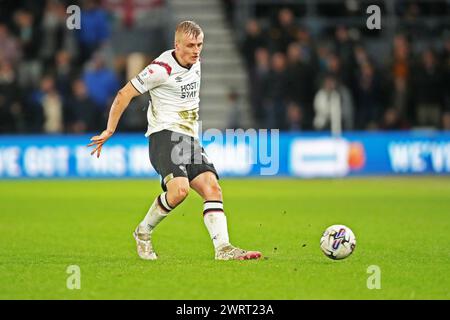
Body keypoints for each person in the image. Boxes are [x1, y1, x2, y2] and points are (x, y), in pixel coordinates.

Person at [87, 21, 262, 261]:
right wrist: (109, 130)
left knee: (212, 188)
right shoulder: (160, 69)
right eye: (190, 45)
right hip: (164, 135)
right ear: (176, 44)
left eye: (200, 45)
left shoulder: (195, 61)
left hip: (189, 138)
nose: (196, 50)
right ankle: (143, 232)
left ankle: (223, 249)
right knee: (179, 191)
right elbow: (124, 93)